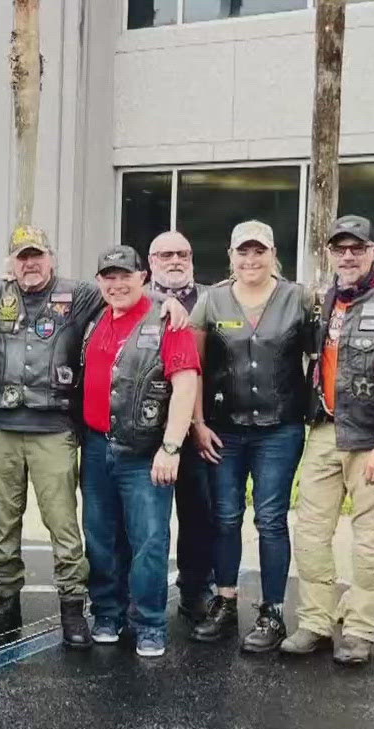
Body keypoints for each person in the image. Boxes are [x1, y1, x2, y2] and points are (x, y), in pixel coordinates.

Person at [283, 214, 374, 666]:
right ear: (330, 253)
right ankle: (314, 623)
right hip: (324, 432)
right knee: (309, 535)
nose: (348, 256)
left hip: (372, 441)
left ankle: (361, 630)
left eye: (356, 248)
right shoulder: (322, 302)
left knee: (370, 543)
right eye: (339, 249)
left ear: (373, 252)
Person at [0, 225, 104, 645]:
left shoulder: (79, 294)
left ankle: (72, 606)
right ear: (10, 261)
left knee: (63, 524)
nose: (30, 264)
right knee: (4, 524)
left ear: (51, 258)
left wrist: (167, 303)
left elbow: (126, 297)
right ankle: (7, 601)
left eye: (37, 255)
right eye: (22, 256)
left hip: (53, 427)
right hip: (1, 426)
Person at [187, 221, 313, 653]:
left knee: (271, 518)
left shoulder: (299, 298)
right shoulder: (212, 299)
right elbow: (194, 367)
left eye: (259, 252)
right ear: (231, 255)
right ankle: (224, 602)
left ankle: (272, 611)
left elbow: (320, 356)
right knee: (224, 516)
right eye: (243, 252)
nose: (251, 260)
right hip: (224, 429)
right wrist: (198, 423)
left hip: (280, 429)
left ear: (273, 253)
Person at [79, 245, 201, 657]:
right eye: (108, 277)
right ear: (99, 281)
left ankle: (150, 623)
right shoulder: (94, 316)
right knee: (100, 536)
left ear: (143, 277)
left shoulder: (168, 321)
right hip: (96, 446)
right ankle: (108, 613)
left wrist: (171, 447)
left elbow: (185, 384)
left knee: (149, 539)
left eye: (124, 276)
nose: (116, 284)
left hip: (145, 452)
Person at [147, 230, 216, 625]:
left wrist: (199, 422)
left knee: (198, 516)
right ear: (151, 261)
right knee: (144, 524)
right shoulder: (134, 299)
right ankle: (138, 596)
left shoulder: (212, 298)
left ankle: (195, 591)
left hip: (198, 430)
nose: (175, 260)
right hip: (147, 431)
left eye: (183, 253)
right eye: (166, 254)